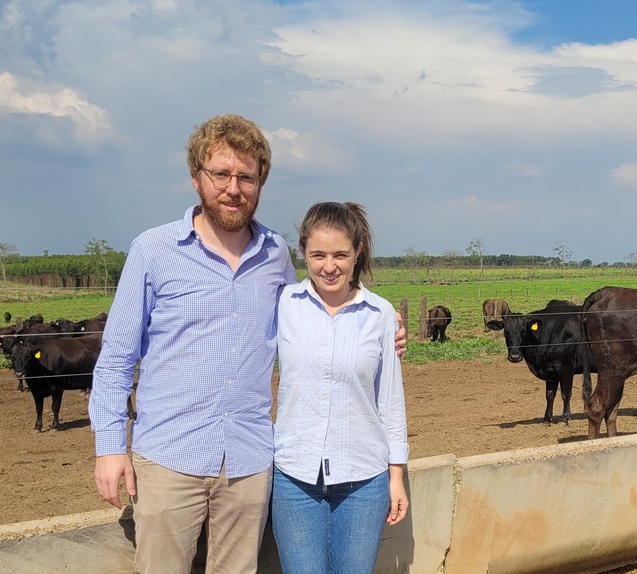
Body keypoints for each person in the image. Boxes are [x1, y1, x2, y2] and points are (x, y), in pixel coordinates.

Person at [89, 115, 404, 574]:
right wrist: (109, 446)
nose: (233, 188)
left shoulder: (274, 255)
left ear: (261, 182)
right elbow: (116, 358)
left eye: (246, 177)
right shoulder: (153, 251)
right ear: (197, 178)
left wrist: (381, 321)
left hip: (249, 463)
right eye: (221, 174)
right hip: (170, 457)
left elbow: (319, 307)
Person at [271, 201, 409, 573]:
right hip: (294, 477)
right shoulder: (283, 305)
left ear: (357, 252)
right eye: (317, 254)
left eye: (339, 255)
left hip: (363, 479)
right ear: (302, 252)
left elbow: (390, 401)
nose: (328, 266)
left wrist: (396, 478)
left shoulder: (380, 315)